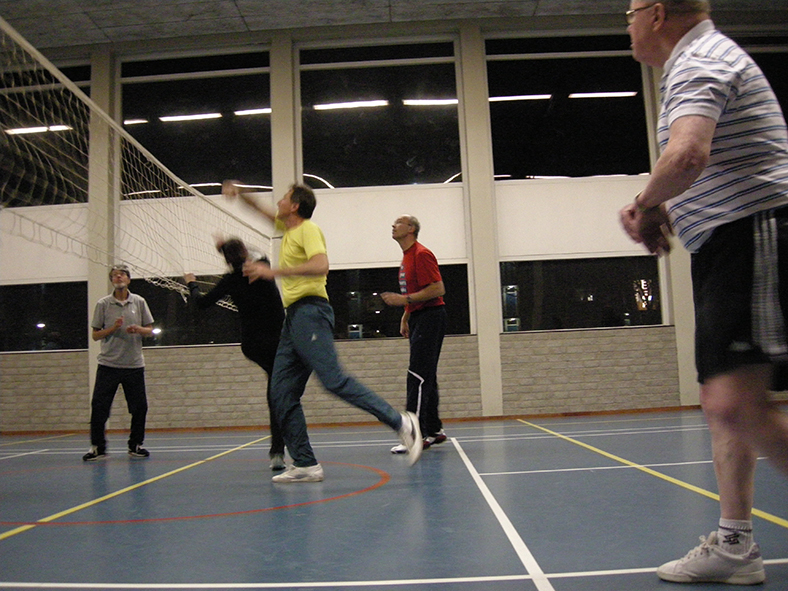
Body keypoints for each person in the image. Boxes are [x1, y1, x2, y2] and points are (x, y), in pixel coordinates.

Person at [620, 0, 788, 584]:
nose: (627, 24)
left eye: (629, 12)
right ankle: (736, 545)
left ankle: (737, 545)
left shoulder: (701, 60)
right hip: (724, 245)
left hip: (753, 234)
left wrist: (645, 203)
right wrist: (668, 202)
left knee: (735, 404)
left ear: (657, 13)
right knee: (726, 407)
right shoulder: (689, 65)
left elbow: (689, 152)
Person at [223, 180, 422, 482]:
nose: (278, 202)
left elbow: (321, 265)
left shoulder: (308, 230)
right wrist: (239, 195)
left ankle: (401, 423)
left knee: (333, 380)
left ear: (296, 206)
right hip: (293, 320)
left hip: (311, 312)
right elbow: (262, 210)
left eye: (284, 198)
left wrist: (271, 272)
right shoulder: (289, 230)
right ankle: (305, 463)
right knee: (280, 392)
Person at [184, 237, 287, 470]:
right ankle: (278, 451)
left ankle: (278, 451)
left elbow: (201, 303)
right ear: (244, 252)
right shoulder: (263, 266)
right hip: (275, 342)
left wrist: (192, 283)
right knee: (279, 395)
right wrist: (228, 248)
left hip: (252, 345)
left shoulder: (230, 280)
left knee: (277, 390)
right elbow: (257, 253)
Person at [381, 215, 448, 453]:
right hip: (420, 317)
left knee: (417, 376)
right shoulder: (407, 256)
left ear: (411, 229)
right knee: (426, 374)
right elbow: (417, 291)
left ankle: (415, 436)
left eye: (398, 223)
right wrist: (406, 315)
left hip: (431, 316)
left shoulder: (421, 254)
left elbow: (438, 288)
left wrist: (403, 301)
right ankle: (433, 429)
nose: (393, 226)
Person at [83, 264, 154, 461]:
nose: (118, 277)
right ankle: (98, 447)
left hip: (134, 366)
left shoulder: (139, 302)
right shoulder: (103, 304)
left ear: (129, 279)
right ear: (112, 281)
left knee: (140, 408)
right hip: (108, 365)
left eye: (122, 274)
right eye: (114, 275)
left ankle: (136, 445)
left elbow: (150, 329)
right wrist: (113, 328)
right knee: (99, 407)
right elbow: (96, 335)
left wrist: (138, 329)